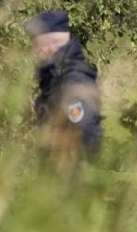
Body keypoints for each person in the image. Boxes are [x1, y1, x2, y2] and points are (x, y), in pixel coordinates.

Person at [25, 11, 102, 165]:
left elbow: (88, 134)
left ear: (46, 48)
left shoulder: (72, 81)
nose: (34, 53)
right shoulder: (56, 79)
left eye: (36, 46)